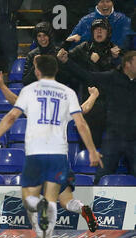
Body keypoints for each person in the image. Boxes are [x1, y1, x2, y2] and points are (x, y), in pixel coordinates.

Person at [0, 55, 102, 238]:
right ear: (56, 70)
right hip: (59, 155)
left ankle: (40, 225)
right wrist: (92, 149)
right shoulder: (67, 93)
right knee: (58, 199)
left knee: (29, 199)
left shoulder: (30, 92)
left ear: (37, 71)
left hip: (36, 153)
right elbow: (81, 120)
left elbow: (12, 114)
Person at [57, 49, 136, 184]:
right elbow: (87, 76)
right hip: (114, 137)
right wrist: (67, 62)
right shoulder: (113, 77)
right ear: (127, 64)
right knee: (101, 175)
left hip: (134, 138)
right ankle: (97, 204)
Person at [67, 18, 120, 149]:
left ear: (108, 32)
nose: (99, 31)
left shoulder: (115, 51)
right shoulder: (83, 48)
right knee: (87, 148)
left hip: (111, 106)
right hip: (89, 105)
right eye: (96, 29)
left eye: (102, 28)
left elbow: (123, 74)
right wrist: (66, 43)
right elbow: (65, 61)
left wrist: (117, 60)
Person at [67, 0, 132, 49]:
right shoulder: (85, 21)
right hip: (89, 62)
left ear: (112, 3)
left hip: (118, 62)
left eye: (108, 1)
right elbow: (70, 43)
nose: (105, 4)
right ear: (97, 3)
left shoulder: (123, 20)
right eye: (102, 1)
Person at [22, 22, 70, 86]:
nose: (42, 39)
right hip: (38, 91)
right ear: (36, 38)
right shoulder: (31, 55)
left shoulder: (59, 52)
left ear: (49, 36)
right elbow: (25, 81)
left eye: (45, 35)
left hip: (56, 90)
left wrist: (58, 63)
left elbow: (67, 79)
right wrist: (35, 67)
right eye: (39, 36)